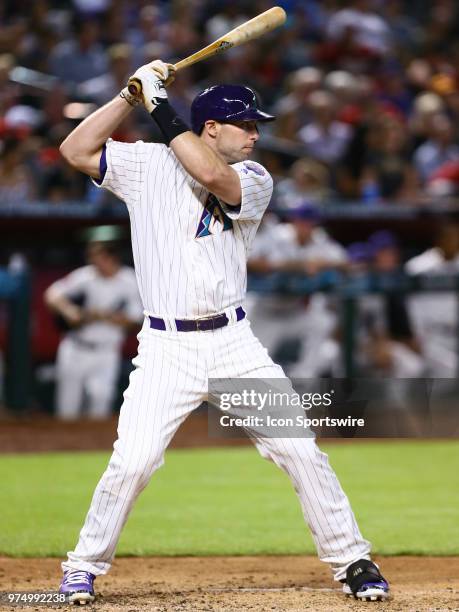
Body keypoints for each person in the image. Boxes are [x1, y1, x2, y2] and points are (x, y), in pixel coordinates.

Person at [57, 59, 390, 604]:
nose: (257, 133)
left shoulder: (255, 178)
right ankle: (82, 566)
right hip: (166, 346)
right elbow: (74, 151)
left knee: (300, 451)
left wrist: (157, 102)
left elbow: (211, 177)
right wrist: (129, 93)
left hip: (234, 344)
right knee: (134, 460)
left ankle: (353, 560)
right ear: (210, 127)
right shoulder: (146, 165)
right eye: (246, 124)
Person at [44, 228, 143, 420]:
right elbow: (52, 295)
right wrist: (70, 311)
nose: (94, 261)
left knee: (100, 405)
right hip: (76, 348)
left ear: (111, 257)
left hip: (106, 352)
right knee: (67, 409)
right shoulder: (85, 276)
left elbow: (134, 320)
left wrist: (103, 315)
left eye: (98, 256)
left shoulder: (129, 280)